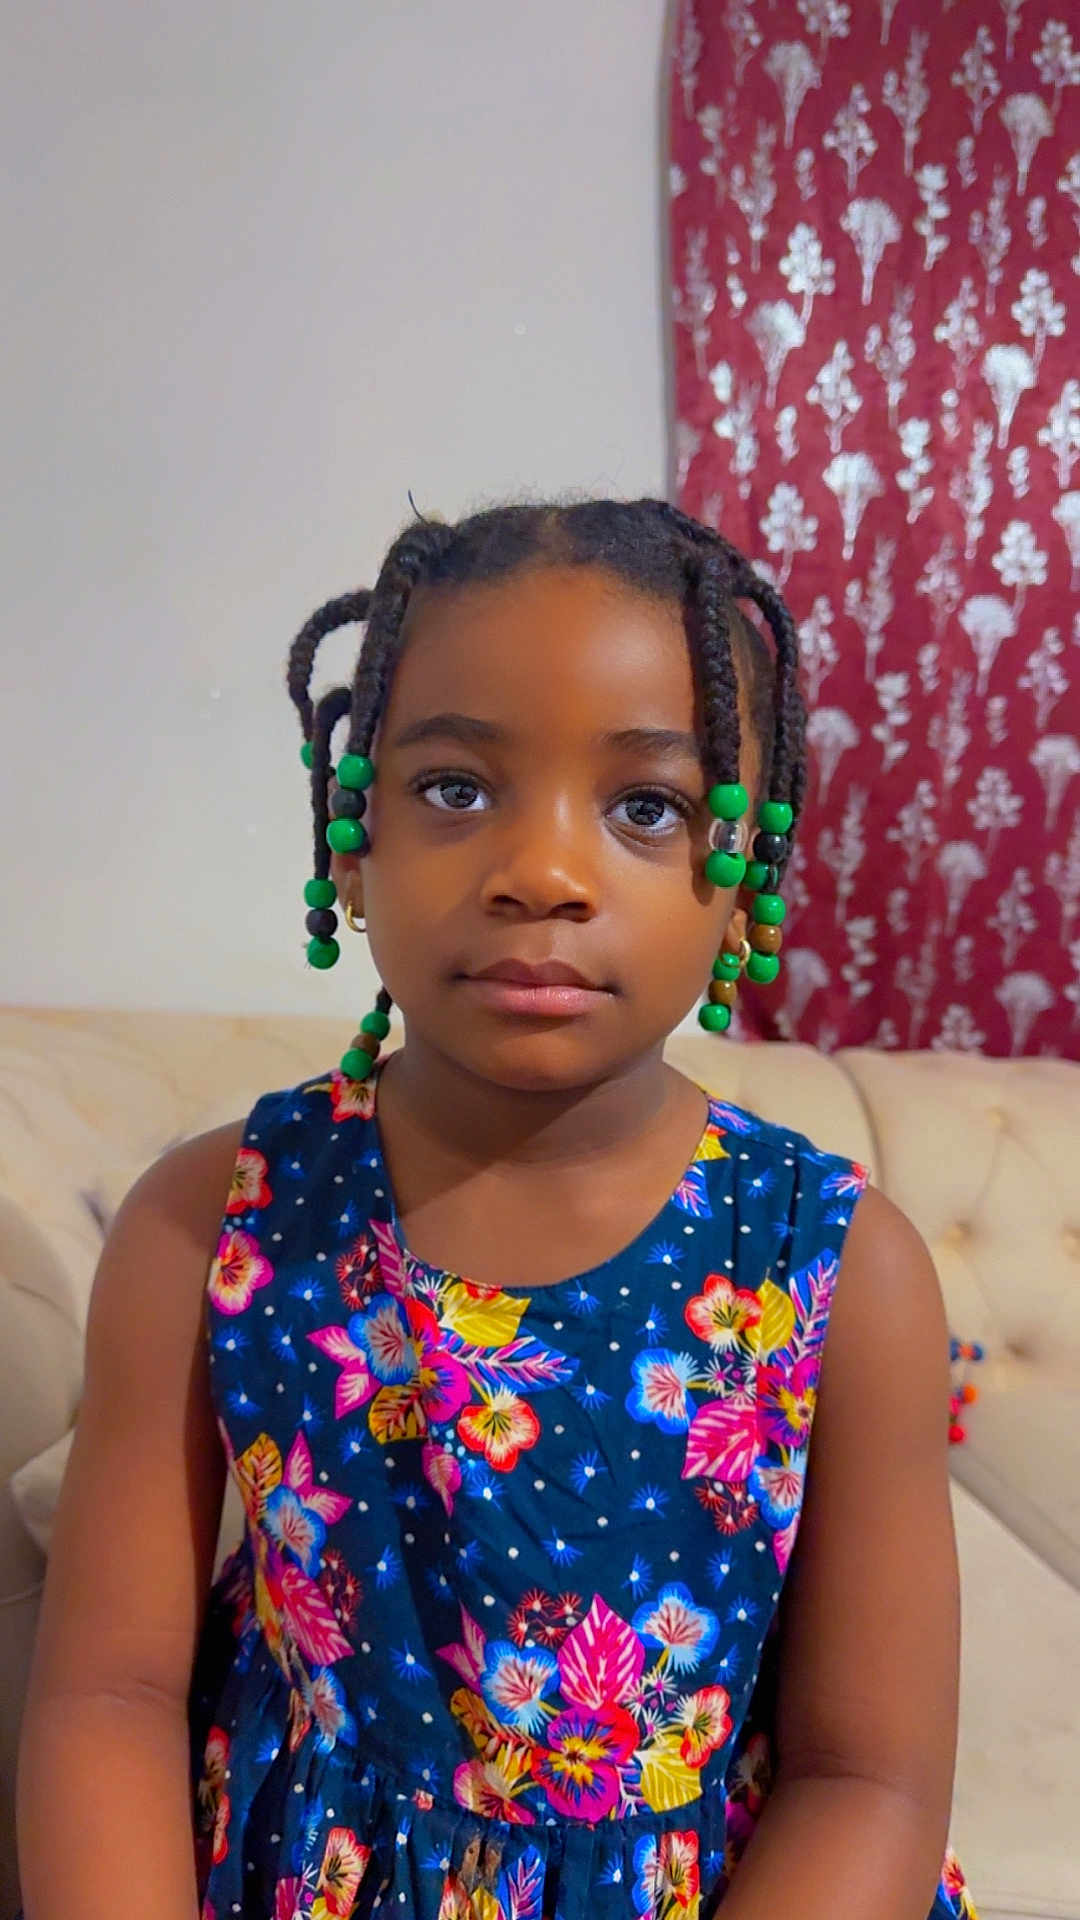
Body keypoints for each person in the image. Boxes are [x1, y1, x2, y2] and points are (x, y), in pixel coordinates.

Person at [16, 499, 978, 1920]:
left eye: (646, 808)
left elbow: (869, 1779)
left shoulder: (838, 1268)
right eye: (457, 790)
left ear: (745, 882)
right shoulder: (212, 1222)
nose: (544, 872)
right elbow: (107, 1691)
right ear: (351, 841)